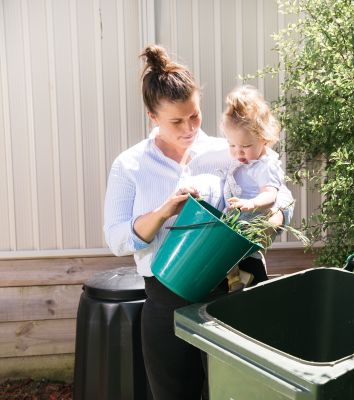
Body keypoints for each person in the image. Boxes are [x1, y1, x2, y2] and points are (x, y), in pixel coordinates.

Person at [103, 44, 294, 400]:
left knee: (242, 394)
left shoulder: (231, 147)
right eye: (176, 121)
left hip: (237, 290)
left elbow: (281, 195)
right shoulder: (130, 166)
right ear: (152, 117)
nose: (189, 128)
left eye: (195, 116)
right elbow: (116, 238)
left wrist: (274, 217)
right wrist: (164, 211)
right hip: (169, 293)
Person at [220, 85, 285, 292]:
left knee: (236, 254)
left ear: (264, 139)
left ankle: (242, 281)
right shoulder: (244, 159)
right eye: (232, 145)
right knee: (224, 257)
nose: (238, 152)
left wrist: (251, 203)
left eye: (245, 147)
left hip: (250, 222)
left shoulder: (265, 166)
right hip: (234, 222)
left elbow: (271, 195)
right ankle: (237, 278)